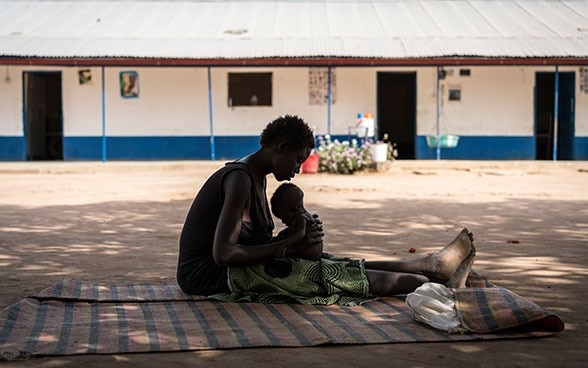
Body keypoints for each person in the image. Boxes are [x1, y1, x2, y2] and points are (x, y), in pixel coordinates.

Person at [177, 114, 475, 304]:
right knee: (325, 274)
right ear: (279, 147)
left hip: (229, 268)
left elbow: (252, 244)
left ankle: (430, 266)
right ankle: (430, 284)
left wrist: (297, 241)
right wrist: (287, 246)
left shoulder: (256, 177)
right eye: (297, 159)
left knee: (333, 261)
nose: (298, 168)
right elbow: (224, 254)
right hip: (209, 276)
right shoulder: (239, 180)